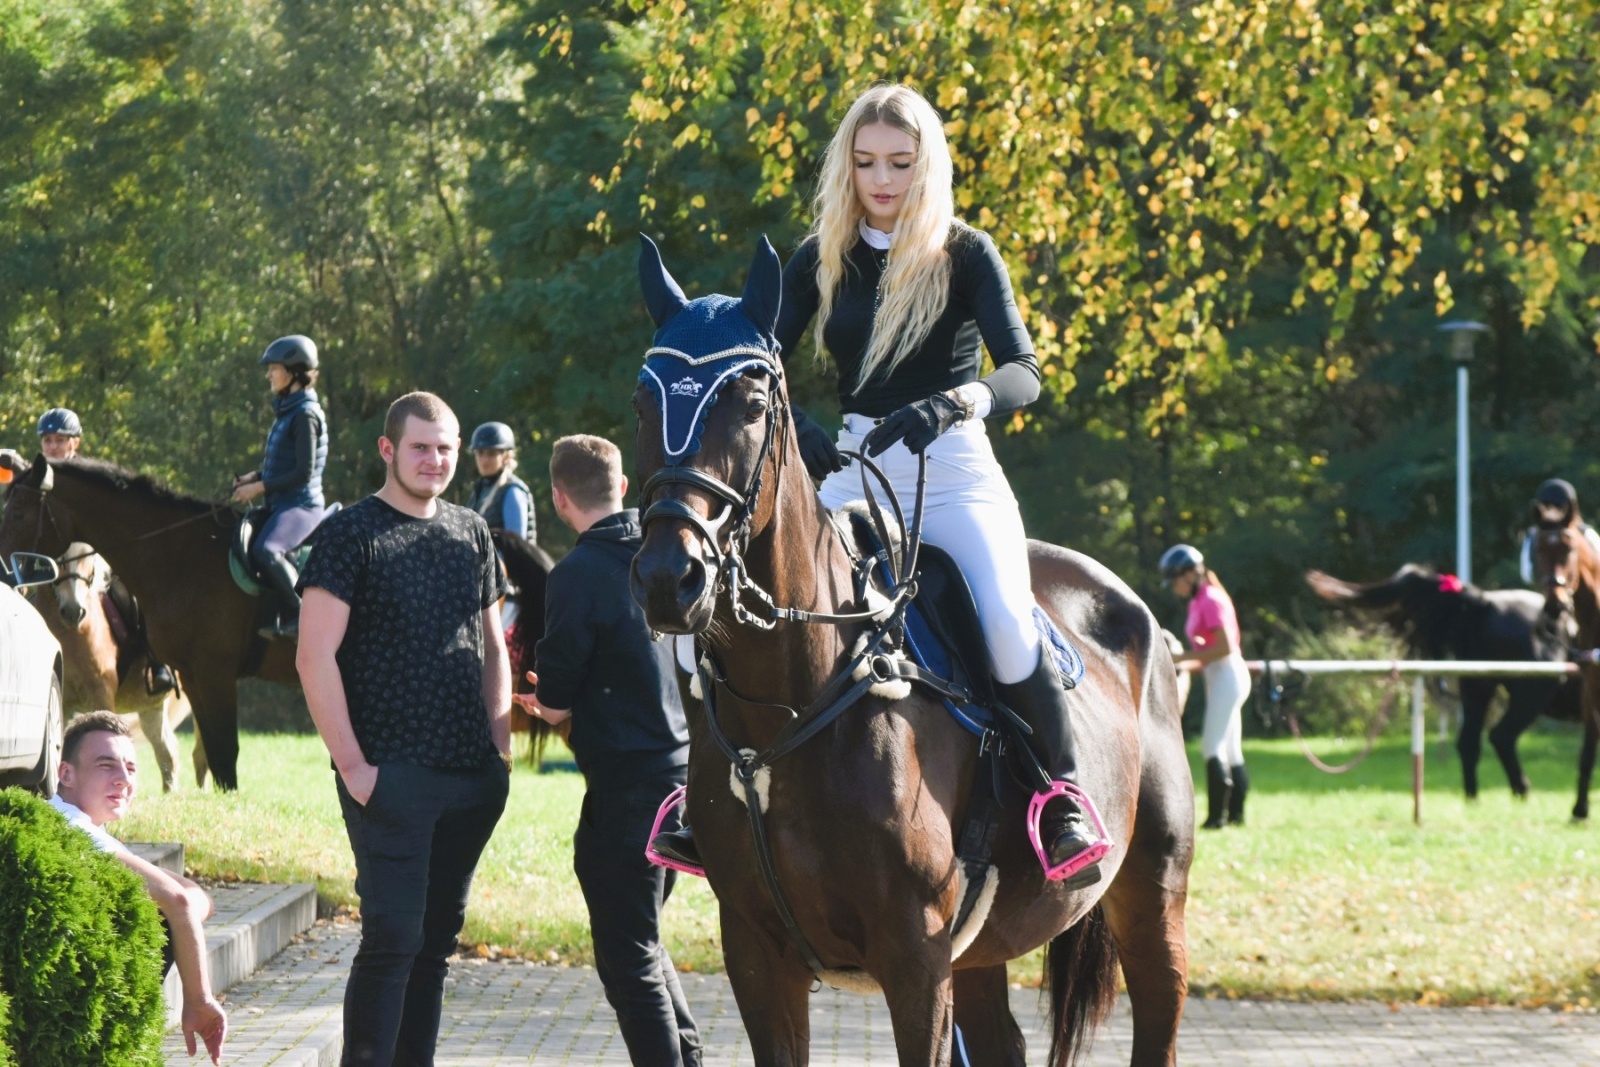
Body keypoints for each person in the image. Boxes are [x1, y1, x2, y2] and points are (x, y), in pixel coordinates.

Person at [659, 84, 1104, 880]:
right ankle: (701, 797)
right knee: (719, 614)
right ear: (847, 165)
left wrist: (957, 401)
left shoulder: (966, 252)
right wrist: (802, 432)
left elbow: (1025, 373)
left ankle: (1060, 797)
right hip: (854, 469)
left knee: (1005, 619)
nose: (883, 179)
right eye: (866, 162)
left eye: (900, 162)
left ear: (926, 163)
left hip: (957, 466)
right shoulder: (821, 254)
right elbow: (759, 359)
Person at [295, 391, 512, 1067]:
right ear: (388, 449)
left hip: (470, 776)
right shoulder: (349, 534)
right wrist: (355, 767)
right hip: (389, 774)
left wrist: (500, 751)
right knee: (393, 936)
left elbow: (493, 643)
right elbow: (313, 655)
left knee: (436, 942)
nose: (436, 459)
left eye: (446, 447)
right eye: (421, 446)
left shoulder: (471, 531)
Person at [513, 434, 700, 1066]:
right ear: (623, 487)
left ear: (560, 500)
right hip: (683, 779)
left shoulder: (576, 574)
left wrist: (543, 694)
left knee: (627, 956)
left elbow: (558, 700)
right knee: (641, 944)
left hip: (628, 790)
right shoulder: (664, 559)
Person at [50, 711, 227, 1064]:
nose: (122, 780)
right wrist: (199, 999)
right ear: (65, 773)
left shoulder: (84, 824)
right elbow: (178, 898)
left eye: (130, 768)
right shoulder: (73, 828)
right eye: (106, 765)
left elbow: (193, 896)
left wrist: (184, 906)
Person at [32, 408, 179, 695]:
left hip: (91, 557)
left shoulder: (88, 476)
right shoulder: (36, 477)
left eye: (60, 440)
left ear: (75, 443)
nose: (53, 446)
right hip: (47, 561)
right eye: (48, 440)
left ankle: (156, 662)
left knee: (131, 596)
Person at [231, 335, 329, 640]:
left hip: (302, 505)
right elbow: (283, 464)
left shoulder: (305, 415)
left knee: (268, 551)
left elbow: (303, 472)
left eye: (274, 368)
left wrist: (259, 487)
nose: (269, 374)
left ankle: (301, 614)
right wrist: (254, 476)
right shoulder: (289, 410)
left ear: (294, 372)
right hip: (283, 503)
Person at [1161, 544, 1251, 829]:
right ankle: (1236, 815)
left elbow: (1224, 647)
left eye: (1175, 579)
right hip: (1220, 674)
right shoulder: (1199, 600)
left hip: (1227, 673)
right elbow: (1208, 653)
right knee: (1232, 749)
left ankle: (1216, 817)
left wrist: (1179, 657)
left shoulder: (1211, 599)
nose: (1174, 586)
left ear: (1189, 573)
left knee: (1211, 746)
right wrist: (1178, 665)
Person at [1518, 478, 1600, 584]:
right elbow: (1527, 575)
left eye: (1557, 507)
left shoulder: (1586, 533)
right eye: (1548, 506)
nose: (1552, 511)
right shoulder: (1533, 536)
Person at [465, 422, 534, 543]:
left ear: (506, 456)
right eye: (480, 453)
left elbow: (515, 546)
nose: (484, 460)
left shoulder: (513, 491)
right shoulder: (480, 489)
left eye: (492, 453)